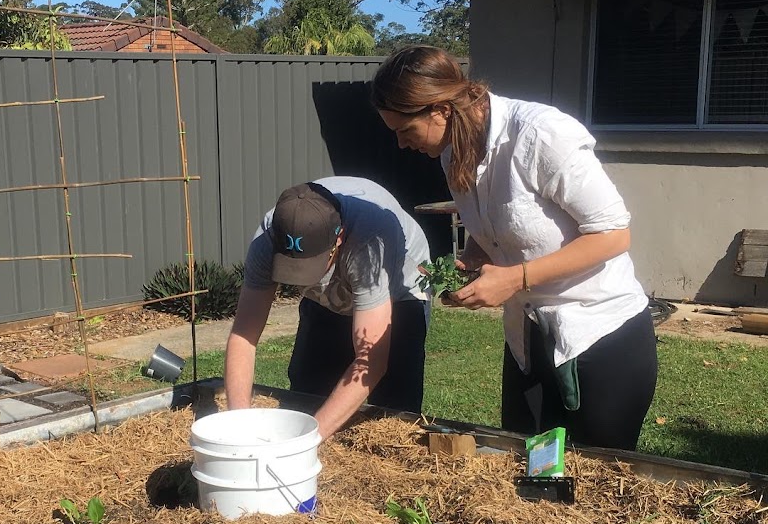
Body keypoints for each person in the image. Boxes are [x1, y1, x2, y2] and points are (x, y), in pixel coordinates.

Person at [370, 45, 657, 451]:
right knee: (529, 466)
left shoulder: (541, 135)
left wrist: (515, 278)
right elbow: (501, 222)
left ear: (440, 110)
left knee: (595, 477)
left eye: (404, 130)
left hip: (599, 336)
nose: (401, 144)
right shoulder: (452, 151)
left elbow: (613, 234)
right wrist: (475, 254)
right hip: (529, 338)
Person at [224, 177, 432, 440]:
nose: (300, 277)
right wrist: (239, 426)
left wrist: (304, 442)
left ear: (339, 238)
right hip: (330, 292)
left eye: (308, 265)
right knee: (308, 392)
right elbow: (244, 336)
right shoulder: (267, 239)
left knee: (392, 410)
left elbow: (371, 360)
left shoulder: (370, 239)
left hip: (398, 291)